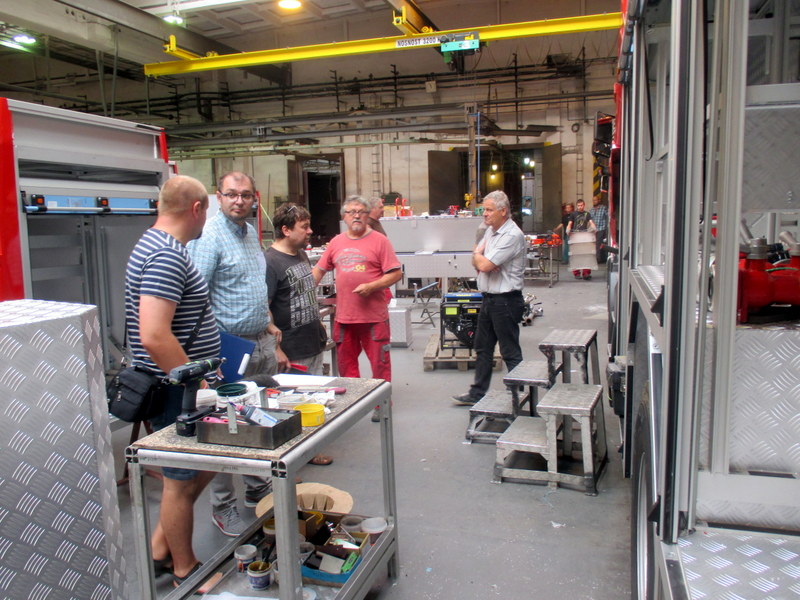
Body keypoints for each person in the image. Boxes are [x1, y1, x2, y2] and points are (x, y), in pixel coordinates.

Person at [125, 175, 221, 590]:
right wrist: (195, 384)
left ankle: (160, 546)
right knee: (180, 482)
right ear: (197, 209)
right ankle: (185, 568)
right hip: (175, 392)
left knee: (204, 466)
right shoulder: (166, 255)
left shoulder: (154, 245)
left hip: (173, 387)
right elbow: (154, 334)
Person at [187, 171, 278, 537]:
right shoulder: (209, 237)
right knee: (224, 426)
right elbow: (196, 299)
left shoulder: (249, 233)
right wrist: (207, 357)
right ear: (218, 197)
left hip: (258, 341)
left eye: (245, 195)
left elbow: (253, 286)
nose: (239, 200)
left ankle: (257, 486)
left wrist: (268, 325)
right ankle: (222, 505)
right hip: (226, 347)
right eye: (231, 194)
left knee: (257, 417)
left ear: (254, 198)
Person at [312, 195, 402, 419]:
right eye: (351, 212)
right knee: (347, 366)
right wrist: (302, 291)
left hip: (373, 318)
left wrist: (372, 286)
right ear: (344, 217)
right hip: (345, 318)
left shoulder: (380, 241)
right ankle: (353, 404)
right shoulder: (336, 242)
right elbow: (319, 270)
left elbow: (395, 273)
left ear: (367, 215)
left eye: (361, 211)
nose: (356, 216)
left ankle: (381, 404)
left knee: (380, 365)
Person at [266, 202, 333, 465]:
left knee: (311, 398)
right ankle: (292, 458)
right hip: (291, 348)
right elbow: (264, 307)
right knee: (293, 402)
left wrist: (317, 323)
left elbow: (305, 294)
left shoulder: (301, 255)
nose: (310, 231)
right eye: (304, 227)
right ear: (286, 229)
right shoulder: (270, 262)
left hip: (311, 340)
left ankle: (309, 449)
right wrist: (276, 348)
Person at [452, 190, 527, 405]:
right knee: (483, 347)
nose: (484, 214)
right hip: (489, 299)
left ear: (503, 211)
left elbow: (482, 263)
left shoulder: (512, 235)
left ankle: (518, 396)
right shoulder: (490, 231)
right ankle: (477, 393)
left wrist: (480, 258)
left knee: (510, 351)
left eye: (489, 210)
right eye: (483, 210)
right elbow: (478, 261)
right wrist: (481, 259)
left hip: (506, 301)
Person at [566, 199, 596, 280]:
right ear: (577, 206)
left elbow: (591, 222)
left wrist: (594, 228)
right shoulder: (573, 214)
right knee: (575, 255)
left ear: (584, 205)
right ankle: (576, 273)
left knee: (586, 255)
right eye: (578, 205)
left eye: (581, 205)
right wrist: (568, 229)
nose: (580, 207)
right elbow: (570, 223)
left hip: (585, 236)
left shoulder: (587, 214)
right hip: (575, 237)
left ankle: (586, 273)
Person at [589, 194, 609, 263]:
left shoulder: (603, 208)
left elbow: (608, 217)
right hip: (594, 230)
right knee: (595, 244)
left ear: (599, 200)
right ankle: (597, 258)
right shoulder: (591, 210)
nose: (594, 201)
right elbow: (590, 220)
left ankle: (598, 259)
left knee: (598, 244)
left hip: (601, 228)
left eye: (595, 200)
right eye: (593, 200)